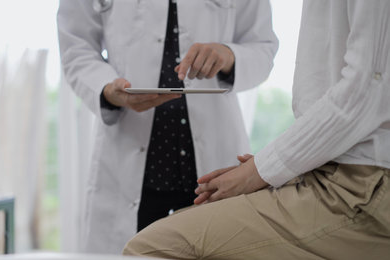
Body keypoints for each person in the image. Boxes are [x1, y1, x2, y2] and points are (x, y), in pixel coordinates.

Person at [123, 0, 390, 259]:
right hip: (329, 168)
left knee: (152, 248)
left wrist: (261, 170)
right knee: (176, 232)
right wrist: (282, 169)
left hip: (362, 184)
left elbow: (368, 89)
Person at [57, 0, 278, 254]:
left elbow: (263, 47)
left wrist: (229, 55)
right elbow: (76, 45)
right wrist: (106, 88)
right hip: (129, 162)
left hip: (212, 168)